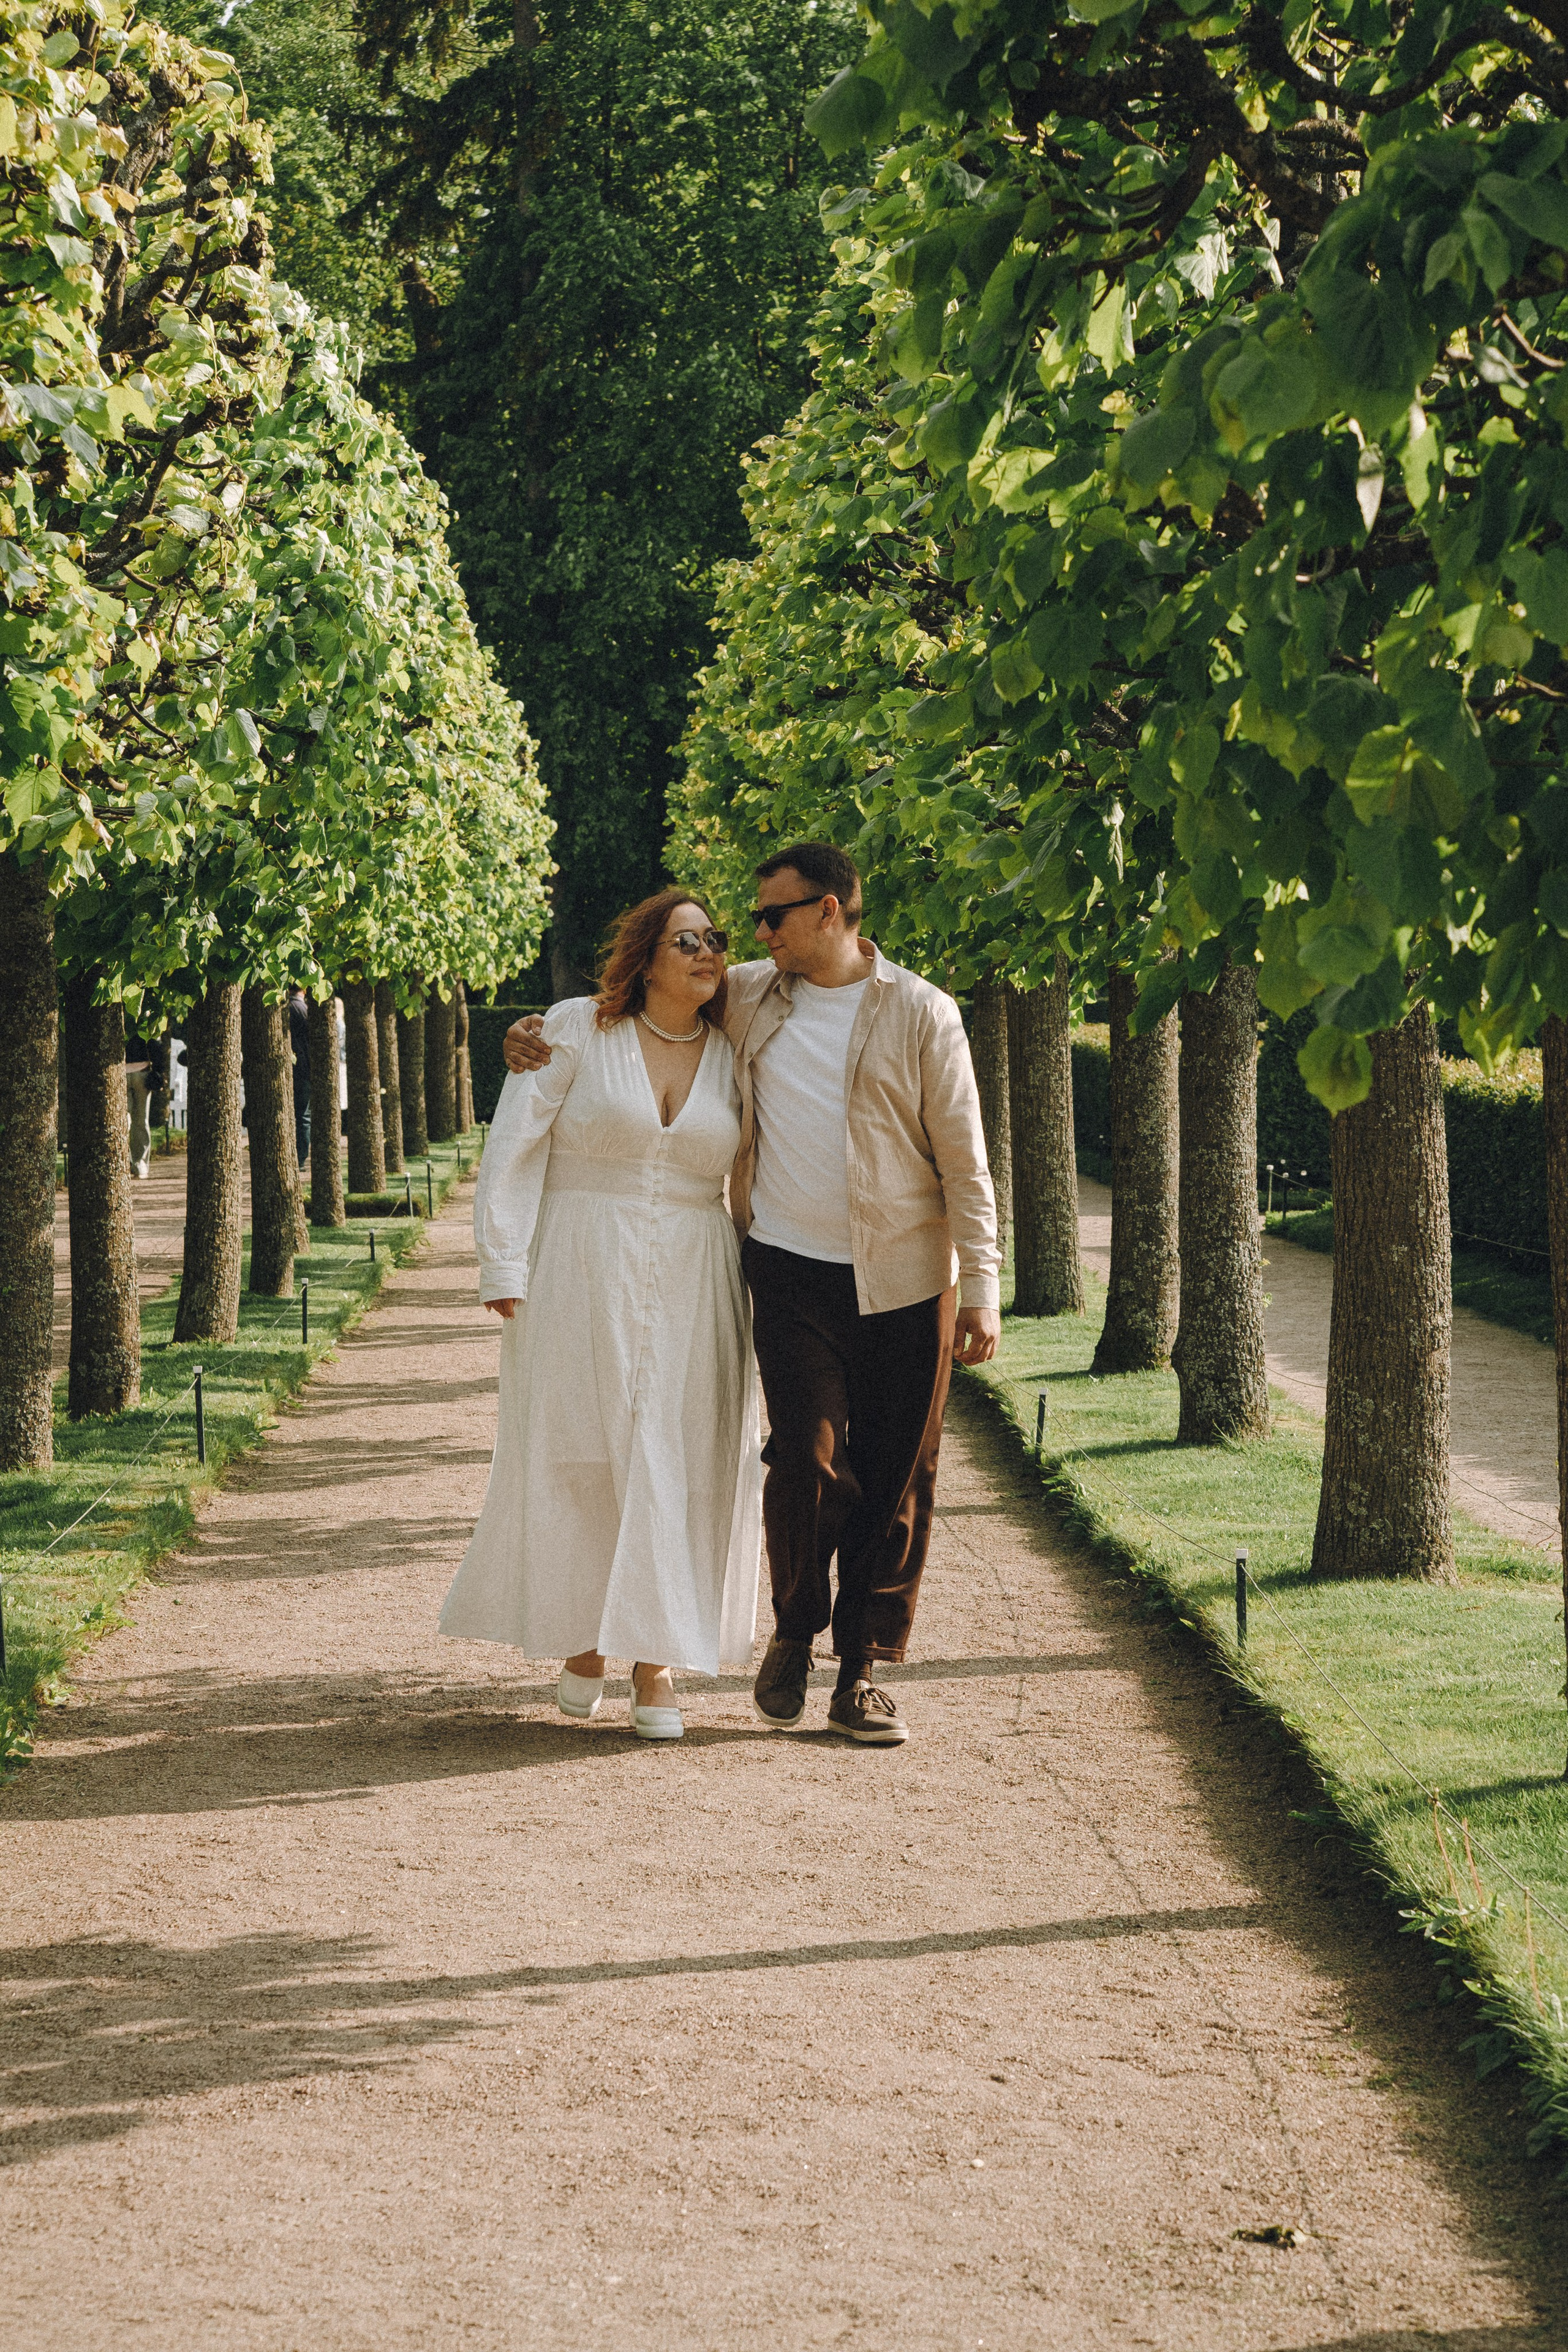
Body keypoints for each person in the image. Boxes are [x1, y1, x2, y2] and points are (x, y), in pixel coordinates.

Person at [503, 842, 1000, 1746]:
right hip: (788, 1270)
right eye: (752, 921)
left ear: (832, 912)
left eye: (773, 916)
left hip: (909, 1277)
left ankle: (860, 1675)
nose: (754, 933)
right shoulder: (747, 992)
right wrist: (535, 1032)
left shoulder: (926, 1014)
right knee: (804, 1463)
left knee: (897, 1481)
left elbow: (966, 1165)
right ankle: (796, 1629)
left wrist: (984, 1289)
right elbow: (639, 994)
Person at [440, 889, 760, 1741]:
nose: (707, 951)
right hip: (579, 1262)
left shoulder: (737, 1048)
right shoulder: (575, 1029)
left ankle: (653, 1660)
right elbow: (514, 1145)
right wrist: (502, 1260)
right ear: (645, 955)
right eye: (686, 939)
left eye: (717, 939)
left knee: (680, 1456)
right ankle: (583, 1639)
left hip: (699, 1275)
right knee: (583, 1450)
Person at [124, 1015, 154, 1179]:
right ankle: (139, 1162)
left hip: (135, 1072)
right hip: (137, 1071)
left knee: (136, 1120)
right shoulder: (145, 1018)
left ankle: (137, 1162)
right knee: (139, 1120)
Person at [288, 988, 311, 1167]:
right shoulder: (303, 1010)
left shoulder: (285, 1007)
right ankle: (301, 1157)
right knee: (303, 1115)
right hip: (303, 1068)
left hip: (291, 1065)